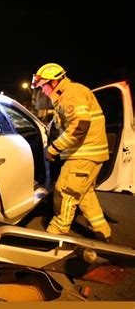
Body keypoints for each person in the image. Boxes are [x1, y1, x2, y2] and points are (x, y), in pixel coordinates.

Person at [31, 63, 111, 242]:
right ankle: (103, 233)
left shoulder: (71, 93)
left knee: (65, 192)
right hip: (87, 153)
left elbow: (80, 126)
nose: (42, 90)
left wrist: (53, 148)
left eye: (43, 85)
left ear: (53, 82)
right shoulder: (67, 95)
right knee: (84, 195)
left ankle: (57, 233)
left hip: (84, 154)